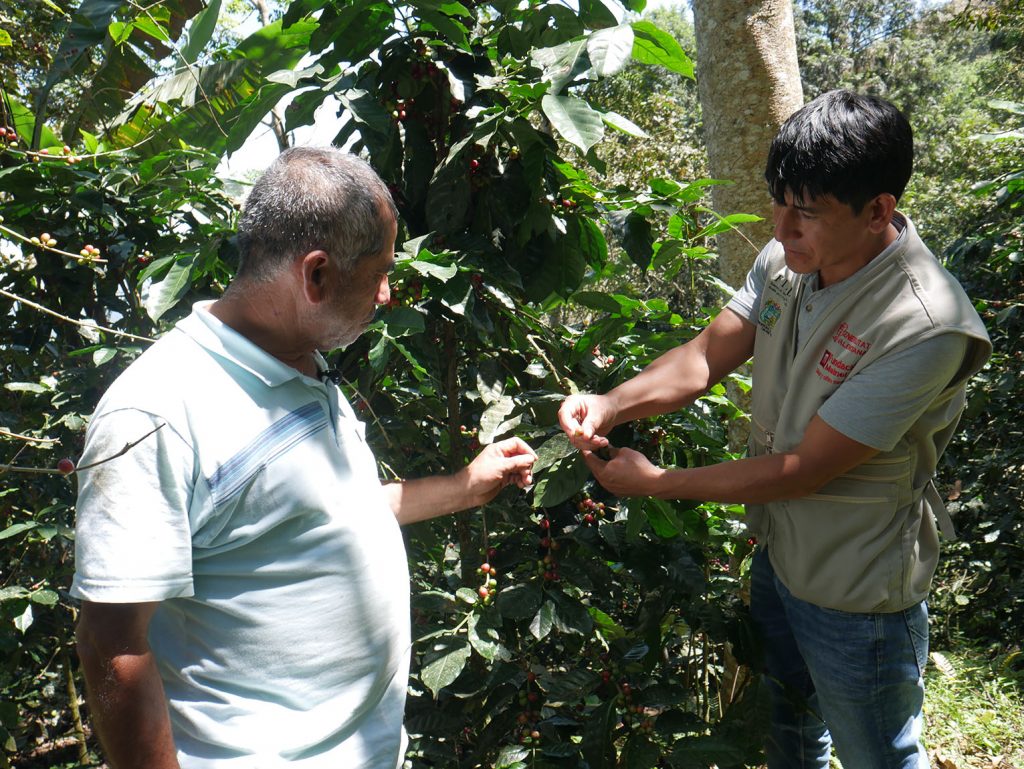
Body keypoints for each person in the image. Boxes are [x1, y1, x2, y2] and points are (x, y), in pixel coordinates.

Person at [558, 90, 991, 768]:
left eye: (806, 212)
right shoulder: (789, 262)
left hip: (855, 587)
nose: (782, 227)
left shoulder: (924, 325)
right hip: (779, 553)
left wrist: (659, 482)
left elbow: (805, 469)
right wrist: (611, 404)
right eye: (779, 203)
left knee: (877, 753)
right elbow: (705, 356)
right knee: (789, 728)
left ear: (879, 210)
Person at [71, 147, 537, 769]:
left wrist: (463, 486)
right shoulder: (158, 412)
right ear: (316, 275)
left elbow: (327, 513)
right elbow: (111, 643)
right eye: (379, 272)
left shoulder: (303, 362)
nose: (387, 293)